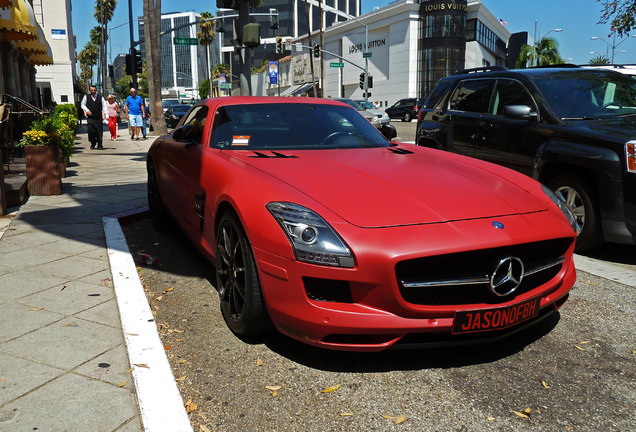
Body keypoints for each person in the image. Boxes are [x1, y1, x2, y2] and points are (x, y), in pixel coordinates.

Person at [80, 84, 108, 149]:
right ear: (90, 90)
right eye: (91, 90)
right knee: (91, 131)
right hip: (90, 118)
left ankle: (100, 144)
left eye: (94, 90)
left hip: (98, 117)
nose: (93, 91)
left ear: (96, 90)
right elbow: (82, 105)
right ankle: (93, 143)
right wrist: (87, 110)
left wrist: (106, 116)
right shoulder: (86, 97)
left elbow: (104, 107)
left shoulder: (101, 98)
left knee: (99, 132)